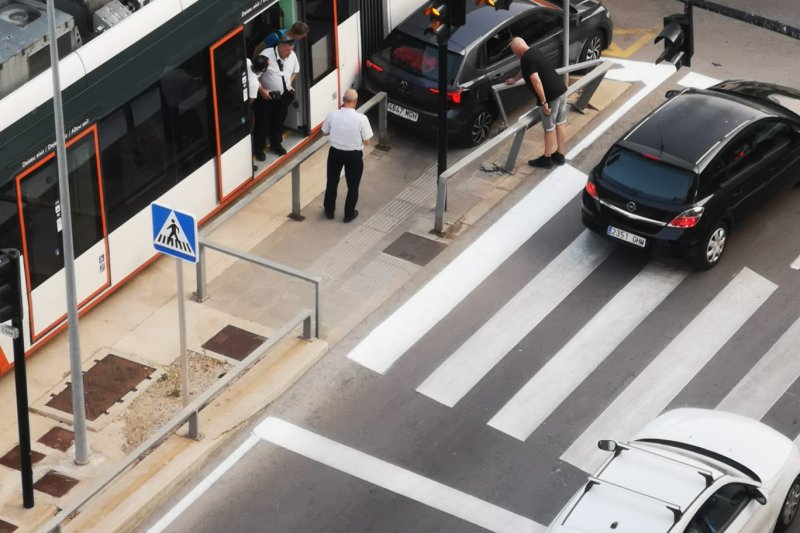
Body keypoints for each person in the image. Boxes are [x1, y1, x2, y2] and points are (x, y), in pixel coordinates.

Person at [507, 37, 568, 168]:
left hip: (550, 97)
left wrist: (543, 102)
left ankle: (546, 159)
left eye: (513, 51)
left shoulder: (525, 59)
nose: (514, 54)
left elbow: (535, 80)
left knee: (549, 128)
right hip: (561, 90)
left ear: (517, 50)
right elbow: (526, 69)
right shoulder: (534, 51)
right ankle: (560, 155)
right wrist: (515, 79)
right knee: (560, 123)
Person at [321, 89, 374, 223]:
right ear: (355, 102)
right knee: (353, 185)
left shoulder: (332, 115)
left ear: (343, 100)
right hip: (354, 155)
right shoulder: (362, 119)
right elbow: (367, 140)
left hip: (335, 153)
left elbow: (324, 132)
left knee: (332, 182)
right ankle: (349, 214)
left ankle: (329, 211)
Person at [256, 38, 300, 156]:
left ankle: (276, 144)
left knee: (278, 122)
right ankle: (259, 148)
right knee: (263, 123)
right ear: (280, 47)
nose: (290, 53)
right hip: (267, 97)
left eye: (291, 50)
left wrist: (288, 83)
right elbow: (255, 76)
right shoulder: (266, 55)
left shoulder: (292, 55)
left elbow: (295, 71)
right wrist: (262, 90)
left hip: (283, 97)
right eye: (287, 50)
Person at [246, 56, 270, 161]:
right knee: (250, 130)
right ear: (263, 70)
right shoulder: (254, 84)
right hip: (246, 107)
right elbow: (250, 102)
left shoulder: (247, 62)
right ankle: (250, 160)